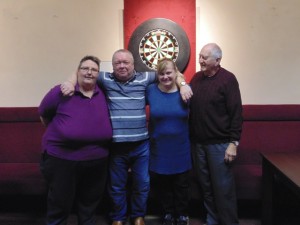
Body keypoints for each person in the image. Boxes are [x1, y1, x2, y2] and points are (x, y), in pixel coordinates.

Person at [61, 49, 193, 225]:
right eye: (118, 63)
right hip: (117, 145)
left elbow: (170, 71)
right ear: (113, 66)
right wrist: (70, 82)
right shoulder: (105, 79)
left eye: (126, 62)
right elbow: (83, 71)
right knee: (116, 186)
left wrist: (183, 84)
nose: (122, 66)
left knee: (142, 184)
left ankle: (138, 216)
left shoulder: (146, 78)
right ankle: (118, 218)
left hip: (141, 145)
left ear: (133, 65)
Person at [39, 55, 113, 225]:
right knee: (60, 204)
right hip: (62, 159)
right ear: (77, 71)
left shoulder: (104, 91)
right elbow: (43, 114)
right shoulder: (62, 91)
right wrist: (64, 132)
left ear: (98, 74)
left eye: (94, 69)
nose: (89, 72)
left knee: (89, 206)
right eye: (85, 68)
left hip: (97, 160)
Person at [189, 43, 243, 225]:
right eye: (200, 56)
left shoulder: (228, 79)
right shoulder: (196, 79)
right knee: (205, 187)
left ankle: (229, 222)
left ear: (218, 60)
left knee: (223, 189)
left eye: (205, 57)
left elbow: (236, 113)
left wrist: (233, 143)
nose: (201, 60)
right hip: (198, 145)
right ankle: (212, 220)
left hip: (220, 146)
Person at [146, 58, 192, 225]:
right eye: (161, 74)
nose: (165, 77)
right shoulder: (150, 90)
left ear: (175, 73)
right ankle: (167, 214)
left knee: (181, 185)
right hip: (159, 148)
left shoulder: (186, 91)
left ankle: (182, 215)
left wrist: (183, 83)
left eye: (168, 73)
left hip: (181, 147)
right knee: (163, 185)